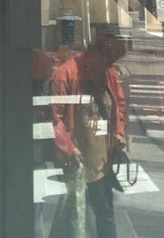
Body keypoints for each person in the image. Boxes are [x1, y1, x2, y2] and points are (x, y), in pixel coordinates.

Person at [50, 24, 129, 238]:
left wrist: (119, 133)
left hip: (102, 158)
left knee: (104, 211)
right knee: (74, 213)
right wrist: (69, 148)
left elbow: (120, 106)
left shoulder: (108, 72)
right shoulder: (66, 73)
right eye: (105, 61)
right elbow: (55, 117)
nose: (108, 66)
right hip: (78, 157)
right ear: (93, 53)